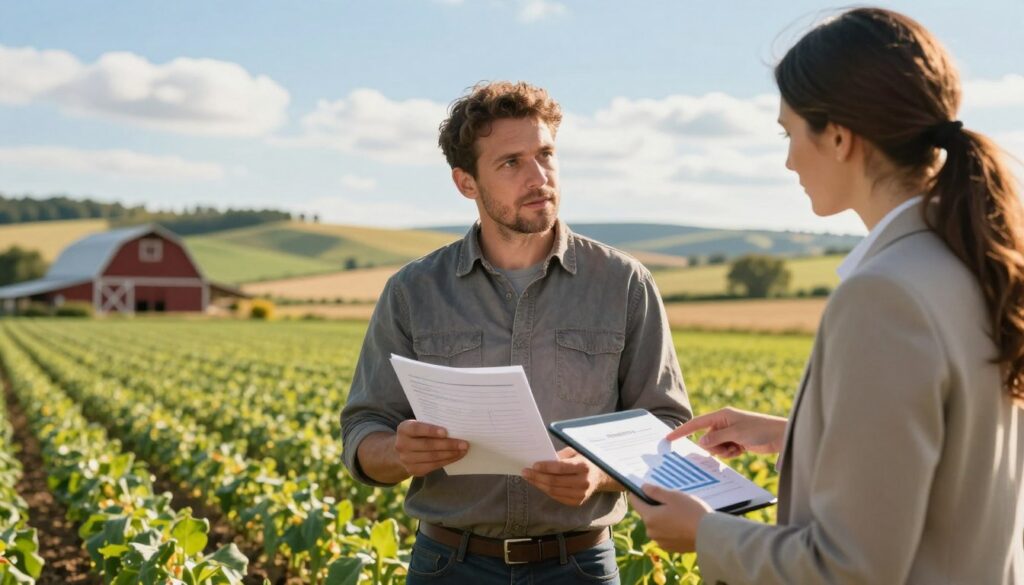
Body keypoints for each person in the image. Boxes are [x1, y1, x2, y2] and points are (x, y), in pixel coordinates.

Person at [629, 7, 1024, 584]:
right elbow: (949, 467)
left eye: (790, 133)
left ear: (839, 136)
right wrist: (798, 436)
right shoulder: (974, 264)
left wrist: (706, 532)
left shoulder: (885, 295)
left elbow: (850, 569)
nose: (788, 160)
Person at [340, 81, 691, 584]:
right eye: (511, 163)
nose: (538, 176)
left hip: (580, 565)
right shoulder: (412, 291)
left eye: (545, 154)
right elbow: (364, 426)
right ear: (466, 183)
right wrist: (396, 453)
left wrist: (598, 473)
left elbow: (664, 425)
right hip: (448, 565)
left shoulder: (624, 284)